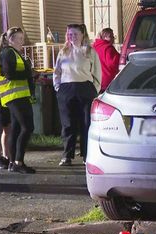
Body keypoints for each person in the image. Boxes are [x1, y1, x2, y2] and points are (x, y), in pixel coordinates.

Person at [53, 24, 101, 166]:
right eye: (69, 34)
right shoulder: (63, 52)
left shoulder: (90, 52)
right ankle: (67, 155)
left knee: (86, 123)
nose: (72, 36)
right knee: (68, 124)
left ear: (82, 35)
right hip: (67, 89)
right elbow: (57, 72)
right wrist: (58, 88)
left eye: (75, 34)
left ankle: (87, 155)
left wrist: (94, 89)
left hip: (85, 89)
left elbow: (97, 72)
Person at [0, 27, 36, 173]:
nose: (22, 41)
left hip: (16, 96)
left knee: (16, 128)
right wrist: (29, 73)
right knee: (28, 127)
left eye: (22, 38)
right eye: (19, 39)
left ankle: (13, 162)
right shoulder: (8, 53)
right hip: (15, 97)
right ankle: (18, 161)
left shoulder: (14, 53)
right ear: (11, 39)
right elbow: (10, 74)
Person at [92, 28, 119, 93]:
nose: (113, 39)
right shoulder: (109, 48)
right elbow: (115, 63)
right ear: (105, 37)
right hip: (108, 82)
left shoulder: (93, 47)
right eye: (112, 36)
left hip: (95, 82)